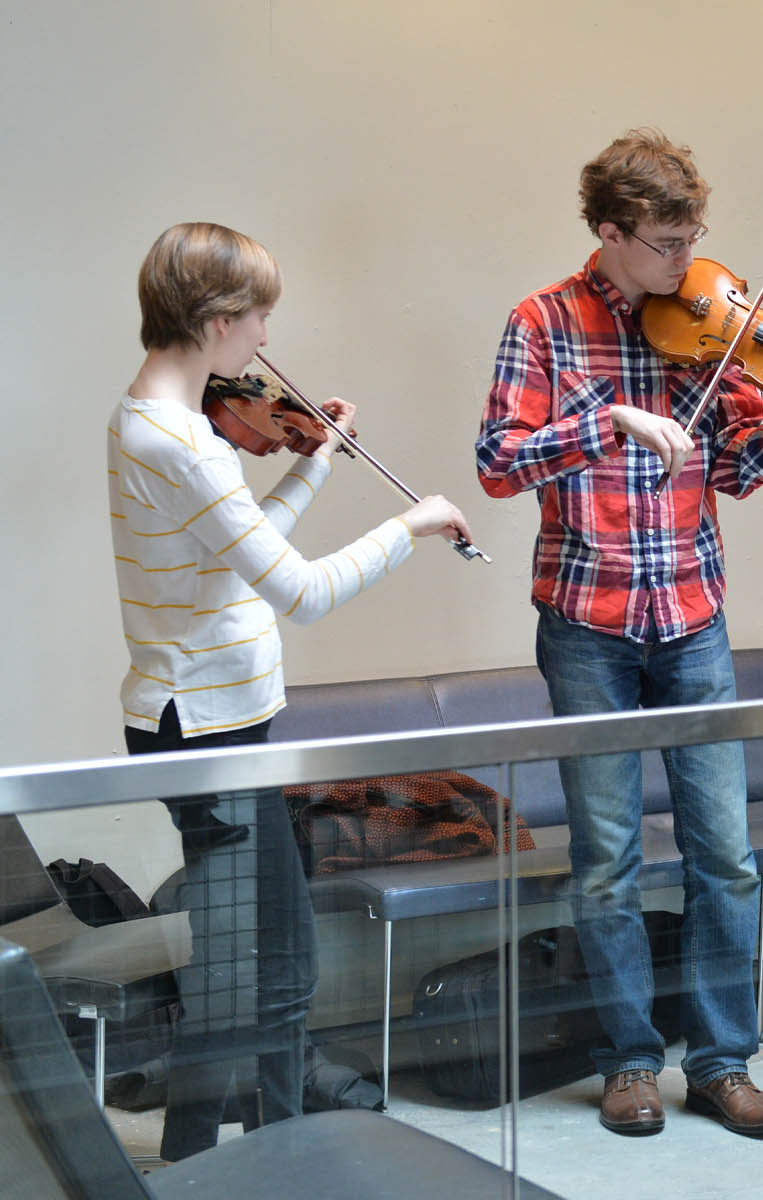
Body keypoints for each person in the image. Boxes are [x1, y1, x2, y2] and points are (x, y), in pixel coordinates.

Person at [474, 129, 763, 1138]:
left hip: (692, 615)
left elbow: (735, 464)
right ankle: (624, 1062)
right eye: (666, 242)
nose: (687, 263)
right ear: (610, 233)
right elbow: (498, 461)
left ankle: (719, 1063)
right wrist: (609, 421)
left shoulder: (703, 327)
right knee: (608, 856)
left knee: (724, 854)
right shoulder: (541, 323)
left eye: (693, 236)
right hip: (587, 622)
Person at [111, 222, 473, 1160]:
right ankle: (271, 1158)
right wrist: (410, 525)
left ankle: (206, 1154)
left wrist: (312, 461)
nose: (267, 340)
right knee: (278, 969)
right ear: (218, 317)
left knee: (248, 965)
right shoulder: (182, 443)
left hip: (206, 722)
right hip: (206, 733)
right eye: (258, 316)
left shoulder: (164, 425)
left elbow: (240, 563)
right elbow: (300, 592)